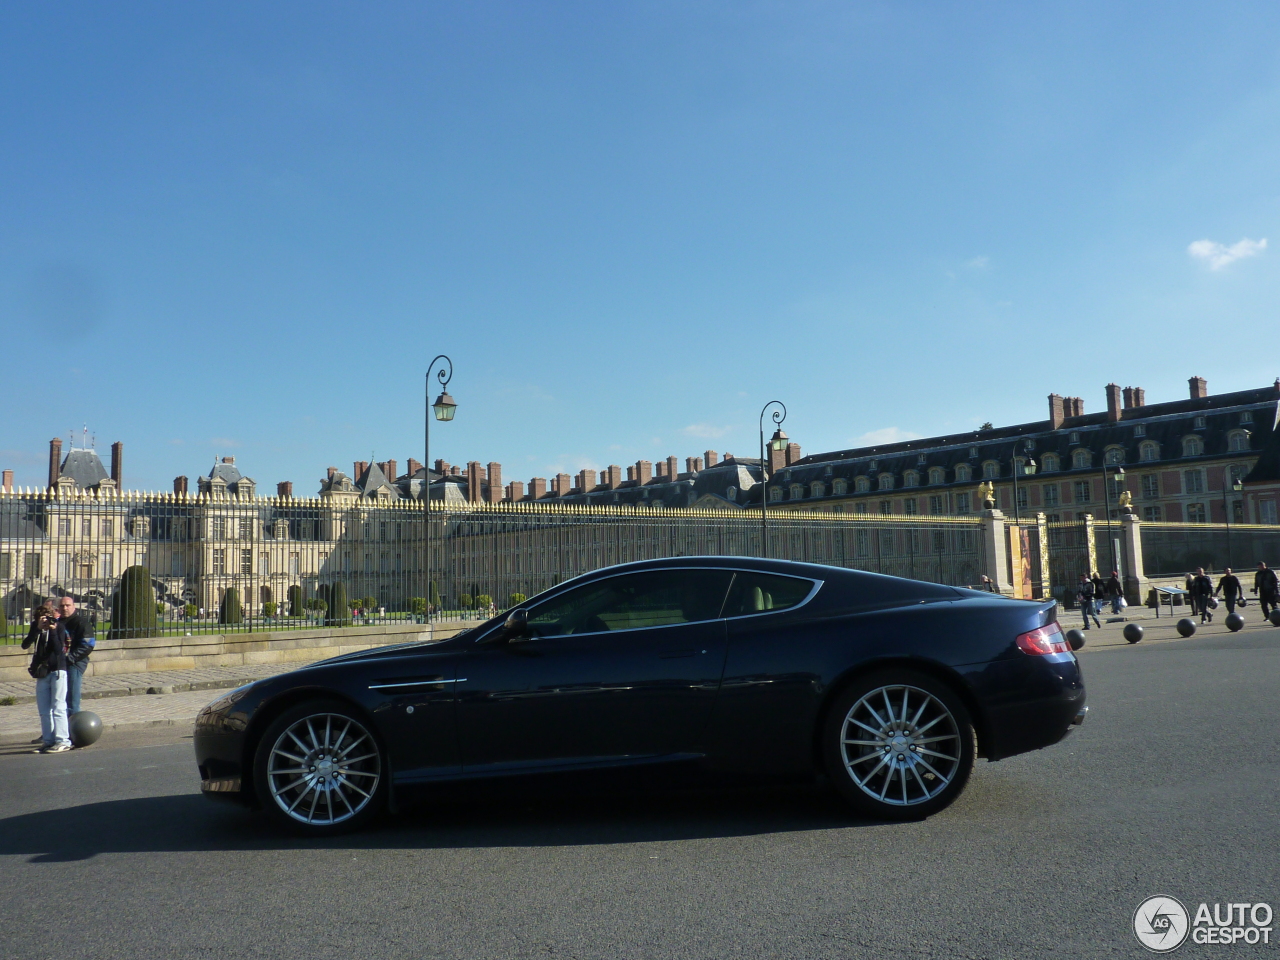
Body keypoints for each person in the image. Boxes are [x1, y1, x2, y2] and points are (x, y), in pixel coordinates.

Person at [21, 605, 88, 753]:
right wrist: (37, 629)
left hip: (58, 671)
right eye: (42, 618)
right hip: (42, 673)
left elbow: (59, 650)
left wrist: (51, 630)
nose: (45, 620)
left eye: (48, 617)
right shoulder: (36, 628)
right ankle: (48, 740)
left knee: (58, 706)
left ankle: (63, 740)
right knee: (44, 710)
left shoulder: (59, 627)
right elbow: (25, 645)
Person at [55, 596, 93, 716]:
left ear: (74, 607)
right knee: (56, 700)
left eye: (67, 605)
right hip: (57, 664)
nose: (65, 608)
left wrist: (69, 659)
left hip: (74, 663)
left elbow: (88, 645)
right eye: (62, 605)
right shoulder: (56, 622)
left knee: (71, 700)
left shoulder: (82, 623)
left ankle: (72, 730)